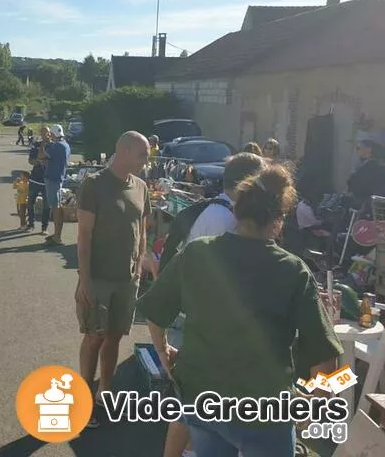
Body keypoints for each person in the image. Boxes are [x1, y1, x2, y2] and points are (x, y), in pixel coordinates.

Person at [137, 165, 343, 456]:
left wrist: (163, 351)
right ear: (278, 220)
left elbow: (155, 310)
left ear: (237, 210)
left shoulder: (198, 253)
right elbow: (325, 355)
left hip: (201, 396)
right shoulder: (292, 270)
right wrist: (312, 405)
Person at [161, 152, 266, 457]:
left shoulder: (213, 211)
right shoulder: (227, 221)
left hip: (190, 315)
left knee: (190, 404)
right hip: (202, 321)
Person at [76, 132, 150, 429]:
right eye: (143, 154)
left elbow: (143, 231)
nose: (147, 160)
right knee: (95, 336)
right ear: (124, 150)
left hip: (126, 279)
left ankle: (105, 391)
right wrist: (85, 279)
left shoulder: (141, 187)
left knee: (116, 335)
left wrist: (139, 265)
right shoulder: (94, 185)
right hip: (99, 277)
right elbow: (84, 236)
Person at [43, 124, 71, 246]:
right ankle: (57, 234)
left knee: (55, 207)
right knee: (57, 206)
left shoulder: (56, 146)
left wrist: (44, 144)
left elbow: (43, 155)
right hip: (58, 177)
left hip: (53, 178)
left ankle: (57, 236)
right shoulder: (65, 145)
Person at [347, 139, 385, 208]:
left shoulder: (370, 166)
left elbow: (356, 182)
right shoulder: (371, 165)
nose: (356, 151)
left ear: (368, 150)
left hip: (364, 203)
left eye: (358, 148)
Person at [27, 126, 51, 233]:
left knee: (47, 205)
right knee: (30, 202)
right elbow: (30, 160)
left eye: (46, 132)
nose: (44, 135)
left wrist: (46, 162)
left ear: (50, 133)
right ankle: (30, 224)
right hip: (35, 178)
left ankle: (44, 227)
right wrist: (37, 161)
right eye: (42, 133)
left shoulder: (53, 146)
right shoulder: (36, 145)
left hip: (47, 180)